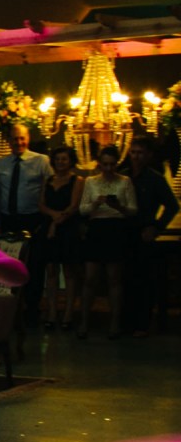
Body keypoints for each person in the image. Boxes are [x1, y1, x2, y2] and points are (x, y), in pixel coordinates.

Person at [0, 123, 51, 321]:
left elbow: (49, 189)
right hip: (8, 220)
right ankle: (9, 309)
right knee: (8, 265)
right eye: (15, 138)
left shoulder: (41, 161)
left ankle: (32, 309)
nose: (19, 142)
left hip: (33, 220)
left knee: (34, 265)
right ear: (8, 141)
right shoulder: (1, 164)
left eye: (22, 138)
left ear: (28, 138)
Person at [77, 145, 137, 340]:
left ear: (117, 164)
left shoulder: (125, 181)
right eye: (105, 165)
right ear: (99, 164)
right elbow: (83, 210)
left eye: (112, 164)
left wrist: (117, 205)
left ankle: (114, 324)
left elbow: (133, 210)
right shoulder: (91, 181)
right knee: (90, 278)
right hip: (97, 229)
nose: (109, 169)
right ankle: (84, 322)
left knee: (114, 278)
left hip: (116, 229)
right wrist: (96, 203)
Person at [123, 136, 178, 336]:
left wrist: (156, 227)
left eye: (140, 153)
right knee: (124, 279)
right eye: (133, 152)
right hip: (123, 233)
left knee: (143, 280)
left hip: (143, 233)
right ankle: (125, 321)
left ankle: (141, 323)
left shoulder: (155, 179)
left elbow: (172, 206)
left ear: (148, 155)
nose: (136, 157)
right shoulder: (123, 176)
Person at [33, 146, 84, 330]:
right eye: (58, 159)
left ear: (70, 161)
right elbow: (40, 204)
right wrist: (53, 217)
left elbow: (74, 206)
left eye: (64, 159)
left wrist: (58, 220)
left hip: (68, 227)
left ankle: (69, 313)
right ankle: (52, 312)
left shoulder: (77, 180)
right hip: (49, 228)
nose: (60, 162)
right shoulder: (48, 180)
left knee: (69, 271)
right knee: (51, 270)